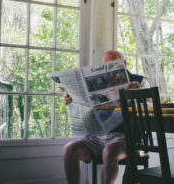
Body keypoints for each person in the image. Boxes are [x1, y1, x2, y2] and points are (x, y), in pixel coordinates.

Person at [62, 50, 150, 184]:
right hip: (96, 136)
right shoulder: (96, 83)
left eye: (112, 65)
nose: (108, 70)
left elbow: (152, 107)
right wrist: (71, 99)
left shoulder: (139, 81)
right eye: (105, 66)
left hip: (125, 137)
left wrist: (138, 94)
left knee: (109, 152)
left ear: (124, 63)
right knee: (69, 150)